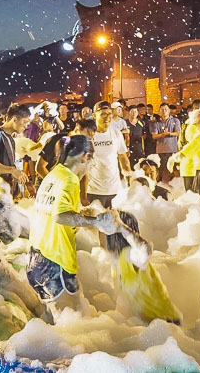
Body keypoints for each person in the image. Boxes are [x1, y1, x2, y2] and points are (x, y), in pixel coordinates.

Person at [27, 135, 128, 317]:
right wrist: (95, 222)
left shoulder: (54, 174)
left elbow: (54, 212)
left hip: (36, 259)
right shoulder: (70, 180)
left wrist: (86, 215)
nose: (91, 167)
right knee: (73, 327)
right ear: (85, 157)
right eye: (91, 162)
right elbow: (61, 216)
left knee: (58, 321)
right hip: (55, 263)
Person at [103, 211, 181, 325]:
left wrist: (123, 228)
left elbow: (145, 249)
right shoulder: (117, 259)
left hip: (166, 322)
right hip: (149, 323)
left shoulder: (132, 255)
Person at [87, 101, 131, 208]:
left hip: (114, 189)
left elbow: (123, 158)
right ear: (94, 116)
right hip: (93, 190)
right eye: (103, 114)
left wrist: (128, 179)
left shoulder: (116, 133)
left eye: (109, 114)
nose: (107, 117)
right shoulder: (88, 135)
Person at [0, 103, 30, 194]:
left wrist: (25, 181)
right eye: (24, 122)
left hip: (6, 192)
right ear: (15, 119)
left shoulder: (10, 138)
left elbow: (9, 165)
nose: (26, 126)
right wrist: (12, 170)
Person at [152, 103, 180, 182]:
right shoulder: (156, 123)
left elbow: (178, 132)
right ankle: (159, 182)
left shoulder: (175, 120)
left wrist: (169, 134)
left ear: (169, 110)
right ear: (159, 111)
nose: (164, 111)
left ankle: (174, 183)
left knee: (173, 167)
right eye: (162, 109)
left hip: (172, 148)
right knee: (162, 167)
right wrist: (163, 134)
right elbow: (154, 136)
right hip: (161, 149)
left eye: (166, 109)